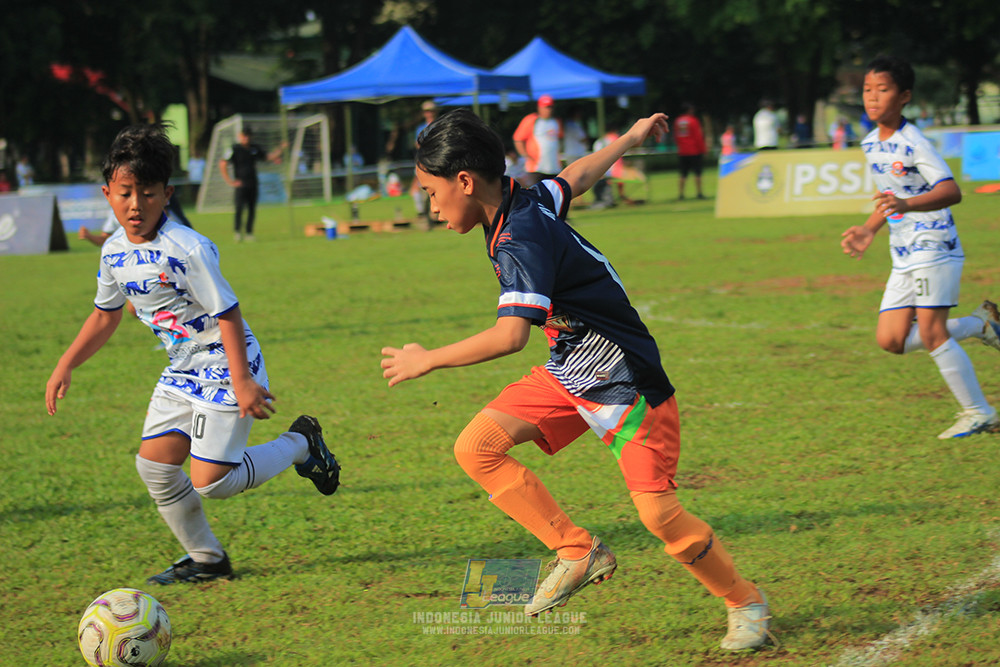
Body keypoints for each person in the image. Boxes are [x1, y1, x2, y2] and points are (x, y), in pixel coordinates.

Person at [381, 109, 771, 650]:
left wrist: (429, 358)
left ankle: (744, 600)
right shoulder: (523, 196)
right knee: (477, 448)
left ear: (464, 182)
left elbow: (510, 336)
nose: (428, 203)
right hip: (568, 370)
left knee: (659, 515)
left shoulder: (520, 238)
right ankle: (576, 550)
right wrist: (629, 139)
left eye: (430, 190)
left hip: (624, 379)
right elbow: (576, 177)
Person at [46, 124, 340, 585]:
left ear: (168, 194)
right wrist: (66, 363)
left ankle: (300, 442)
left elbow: (228, 312)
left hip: (226, 364)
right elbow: (105, 315)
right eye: (125, 193)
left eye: (147, 193)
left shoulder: (187, 248)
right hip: (182, 370)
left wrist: (243, 382)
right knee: (156, 468)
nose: (136, 204)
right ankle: (207, 559)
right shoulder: (113, 252)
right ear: (108, 194)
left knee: (212, 482)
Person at [840, 55, 1000, 439]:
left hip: (935, 243)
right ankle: (981, 324)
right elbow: (890, 194)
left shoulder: (913, 142)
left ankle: (979, 412)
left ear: (904, 96)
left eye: (883, 90)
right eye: (867, 90)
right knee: (891, 340)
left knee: (931, 332)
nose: (873, 97)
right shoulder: (869, 143)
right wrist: (869, 229)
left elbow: (951, 190)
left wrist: (908, 205)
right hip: (904, 252)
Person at [218, 127, 284, 242]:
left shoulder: (254, 148)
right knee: (239, 208)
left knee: (251, 209)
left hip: (253, 183)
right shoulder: (234, 149)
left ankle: (249, 233)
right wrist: (230, 181)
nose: (246, 138)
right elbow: (223, 163)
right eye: (244, 136)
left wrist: (281, 149)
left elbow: (267, 157)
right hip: (240, 184)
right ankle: (237, 232)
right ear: (240, 136)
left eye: (248, 136)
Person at [513, 95, 562, 187]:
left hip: (554, 166)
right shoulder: (532, 120)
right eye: (546, 107)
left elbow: (559, 140)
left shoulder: (556, 121)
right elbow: (518, 139)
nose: (548, 110)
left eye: (550, 107)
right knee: (535, 193)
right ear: (539, 107)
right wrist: (526, 156)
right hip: (536, 167)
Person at [410, 100, 439, 225]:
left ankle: (435, 216)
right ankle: (423, 215)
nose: (429, 113)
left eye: (431, 110)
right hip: (424, 162)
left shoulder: (439, 126)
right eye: (427, 111)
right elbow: (418, 145)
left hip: (437, 162)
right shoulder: (420, 128)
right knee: (419, 190)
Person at [673, 103, 707, 200]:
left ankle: (681, 194)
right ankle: (699, 193)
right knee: (697, 173)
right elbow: (698, 136)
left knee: (683, 174)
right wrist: (703, 149)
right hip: (694, 150)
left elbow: (676, 136)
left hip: (683, 151)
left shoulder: (677, 121)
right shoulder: (693, 120)